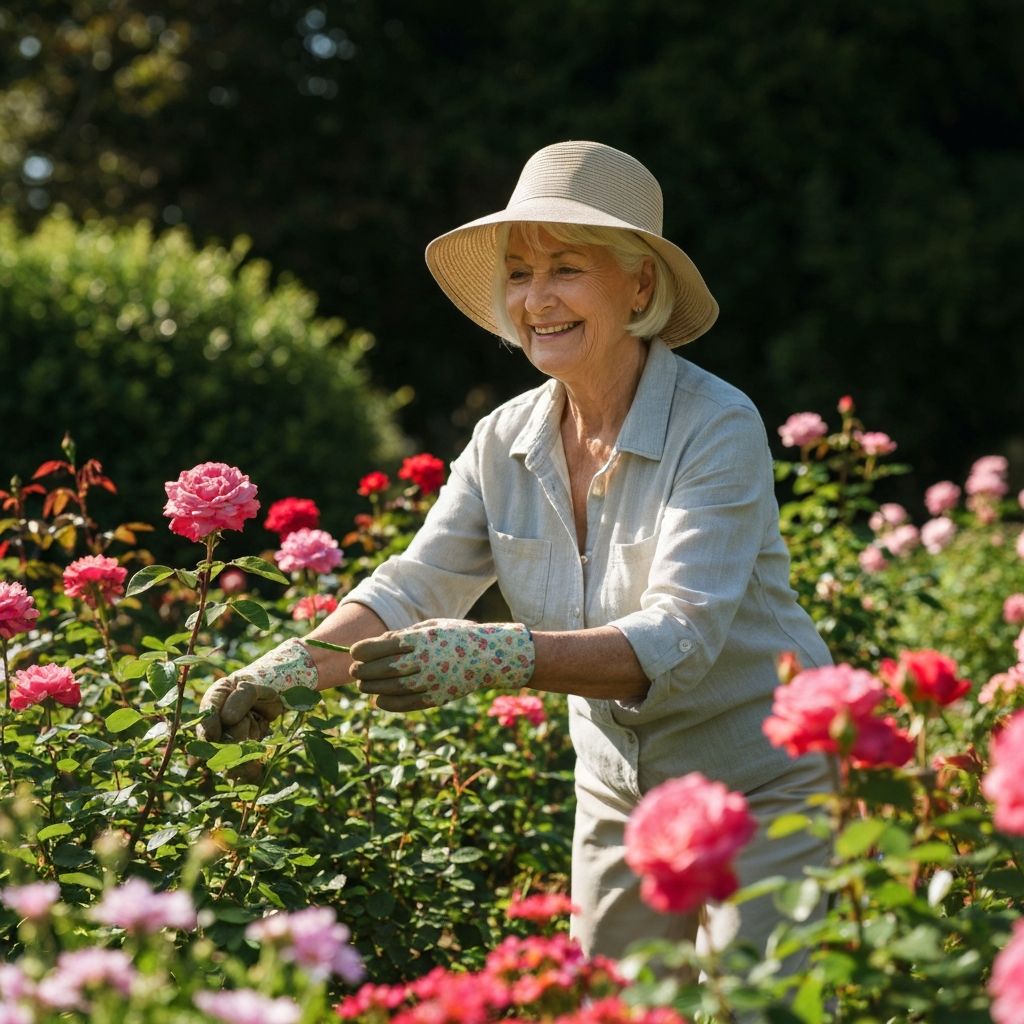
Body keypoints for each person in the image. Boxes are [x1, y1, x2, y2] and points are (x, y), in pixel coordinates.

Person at [199, 141, 833, 965]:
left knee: (768, 1007)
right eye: (519, 274)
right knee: (610, 1012)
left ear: (640, 284)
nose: (537, 299)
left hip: (764, 780)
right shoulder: (504, 439)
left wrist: (501, 655)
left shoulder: (715, 424)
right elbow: (417, 584)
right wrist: (284, 671)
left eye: (567, 268)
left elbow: (681, 634)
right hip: (623, 797)